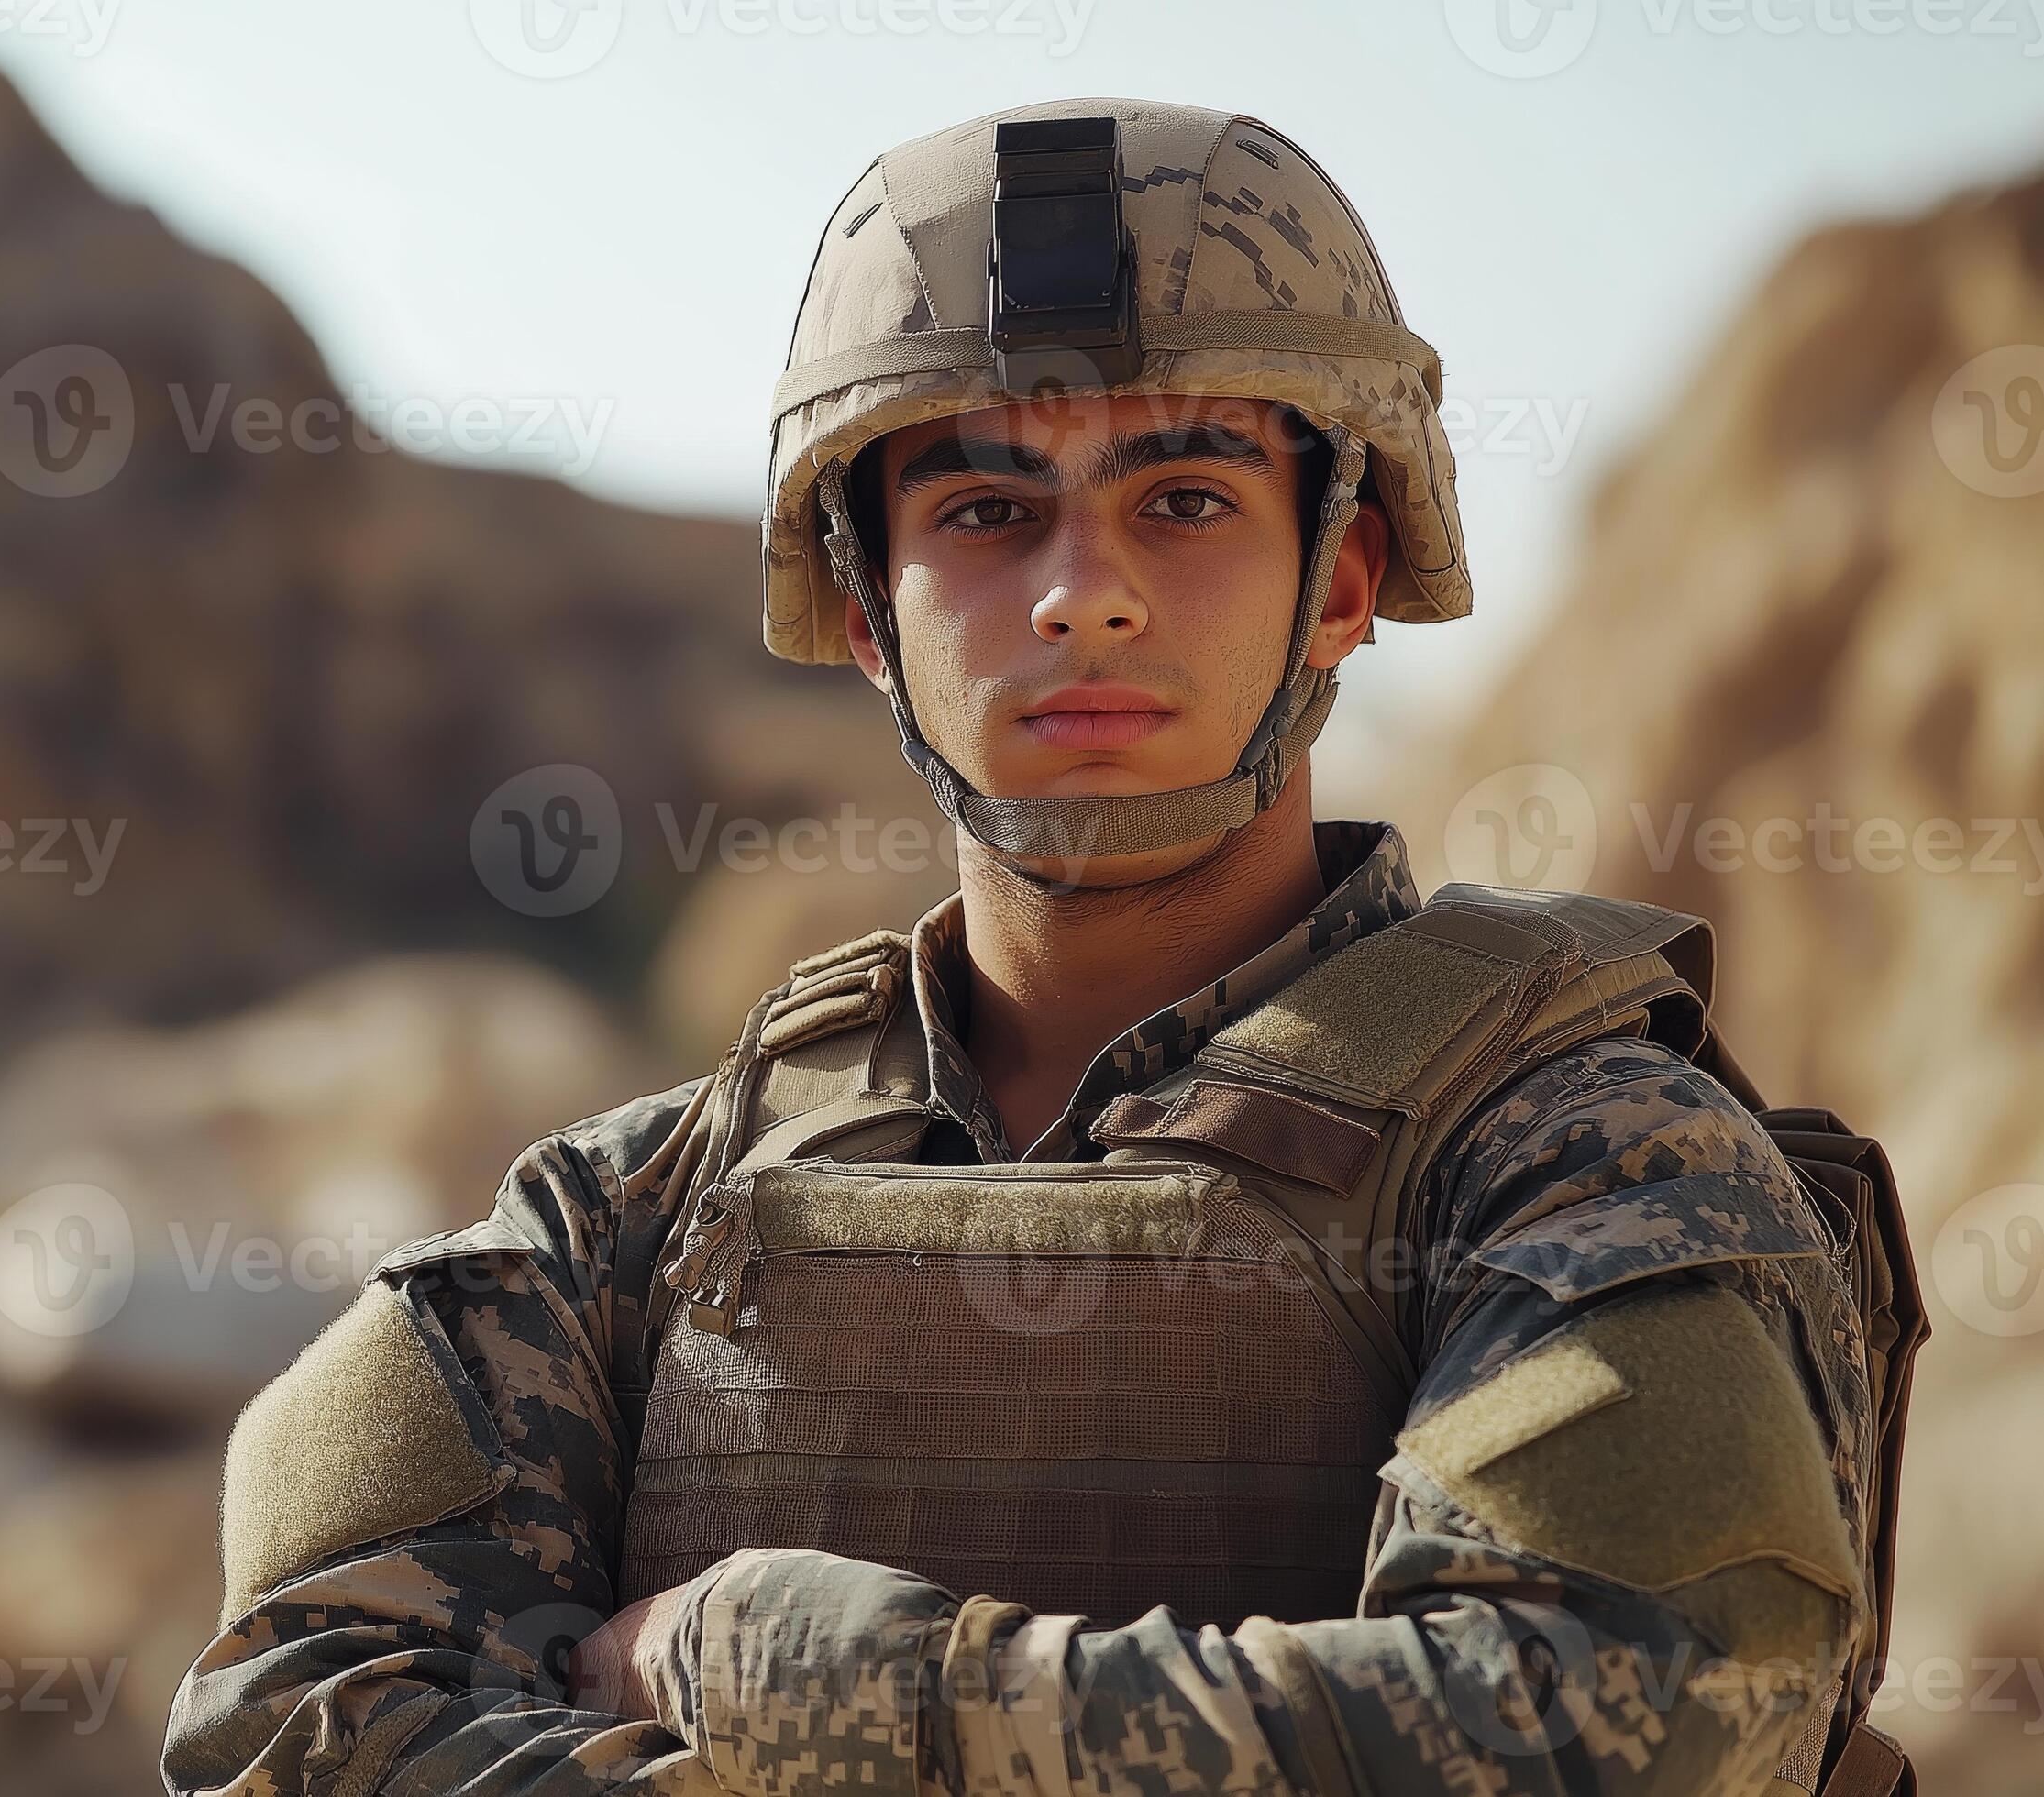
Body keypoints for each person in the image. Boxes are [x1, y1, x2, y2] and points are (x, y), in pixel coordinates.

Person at [163, 98, 1916, 1796]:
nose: (1085, 591)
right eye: (986, 513)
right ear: (867, 613)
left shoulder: (1581, 1155)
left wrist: (803, 1686)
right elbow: (288, 1714)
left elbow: (1621, 1731)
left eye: (1185, 500)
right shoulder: (635, 1215)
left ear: (1342, 579)